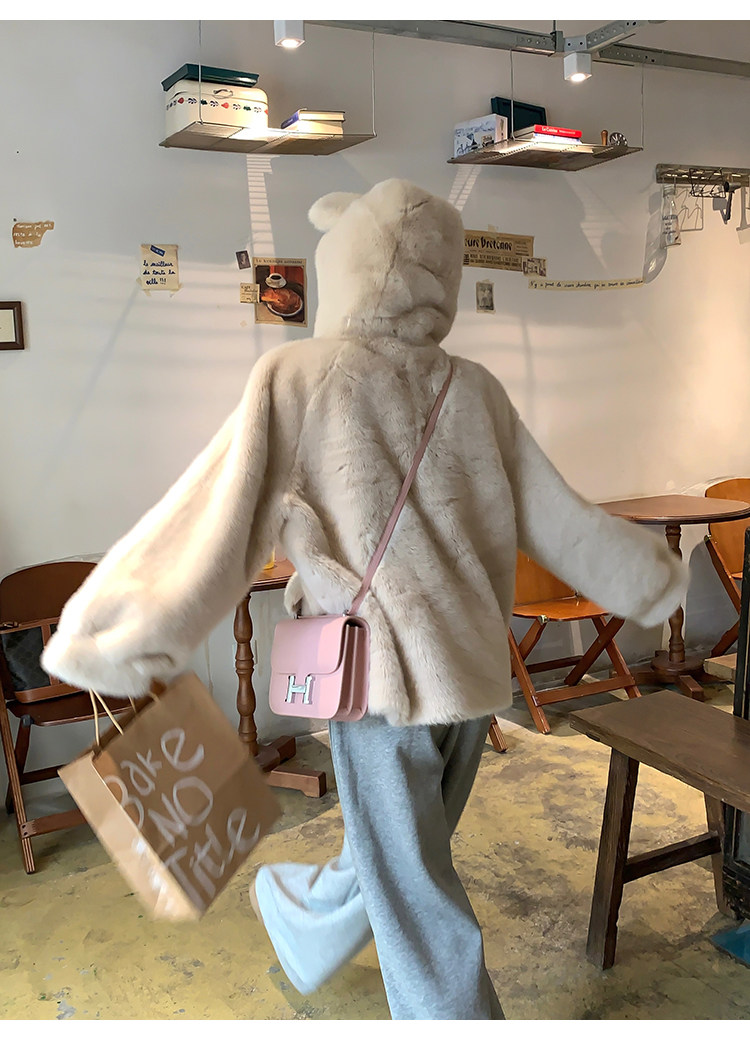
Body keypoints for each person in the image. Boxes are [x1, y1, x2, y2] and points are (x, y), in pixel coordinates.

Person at [43, 178, 688, 1020]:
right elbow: (558, 516)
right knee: (406, 854)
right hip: (470, 673)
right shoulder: (476, 388)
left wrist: (119, 628)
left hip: (374, 678)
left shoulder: (299, 374)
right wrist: (647, 578)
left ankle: (380, 971)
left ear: (343, 263)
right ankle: (301, 918)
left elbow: (213, 516)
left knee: (411, 880)